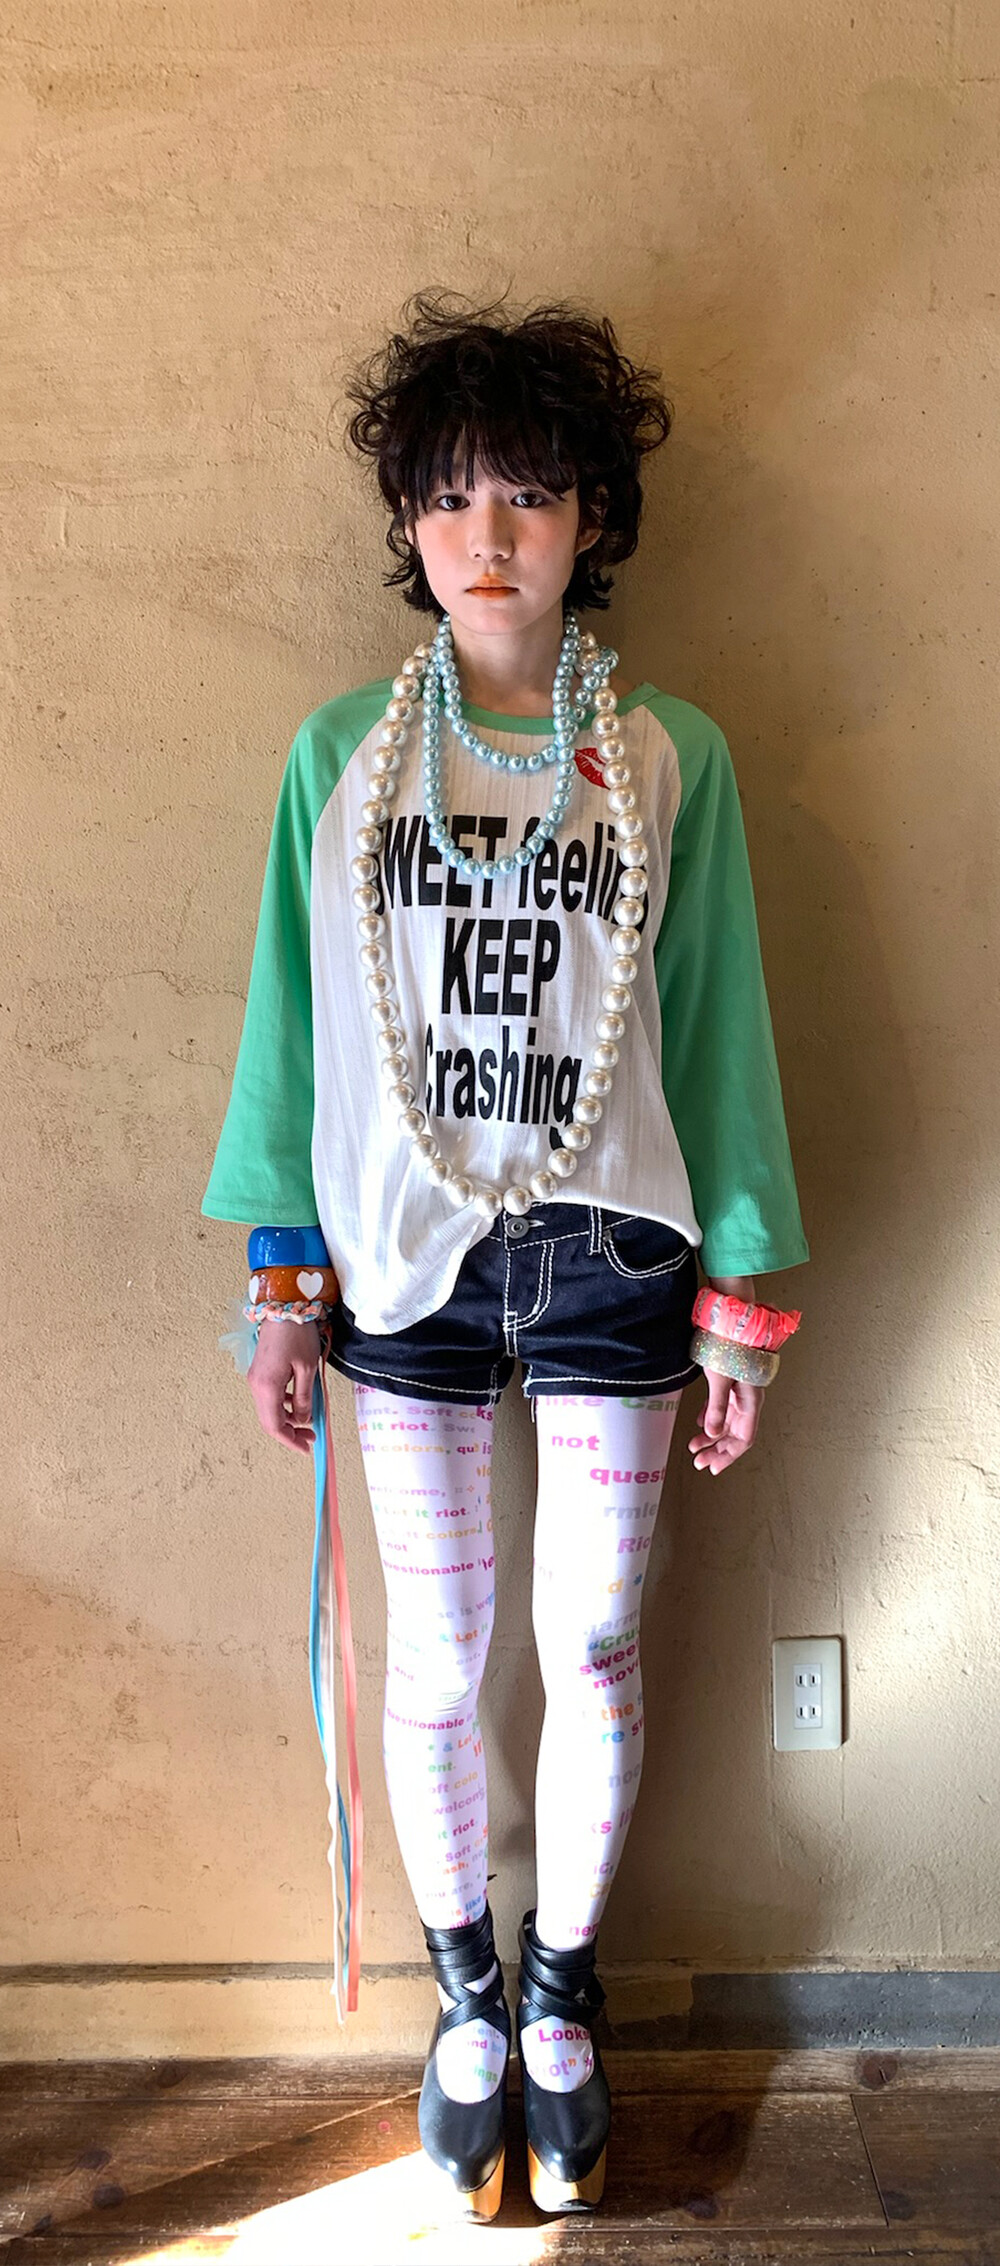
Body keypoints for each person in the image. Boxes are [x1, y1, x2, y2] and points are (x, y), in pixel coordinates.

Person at [201, 288, 808, 2221]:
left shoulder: (671, 756)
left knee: (596, 1643)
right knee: (443, 1655)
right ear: (408, 521)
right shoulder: (340, 757)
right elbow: (293, 1029)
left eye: (531, 493)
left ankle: (561, 1995)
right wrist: (283, 1282)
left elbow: (717, 1025)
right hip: (404, 1266)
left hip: (614, 1253)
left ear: (591, 517)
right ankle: (463, 1991)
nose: (491, 534)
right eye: (453, 496)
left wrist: (740, 1297)